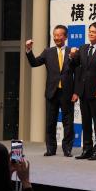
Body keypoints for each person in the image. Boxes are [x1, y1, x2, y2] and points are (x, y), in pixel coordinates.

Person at [26, 25, 76, 157]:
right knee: (50, 122)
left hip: (67, 92)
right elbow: (34, 63)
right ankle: (50, 149)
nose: (56, 38)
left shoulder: (72, 51)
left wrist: (76, 92)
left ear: (65, 37)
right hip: (51, 92)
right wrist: (28, 50)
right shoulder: (48, 52)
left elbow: (78, 72)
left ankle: (67, 149)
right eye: (54, 35)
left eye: (59, 35)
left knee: (68, 122)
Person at [69, 22, 96, 161]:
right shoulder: (82, 48)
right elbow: (75, 67)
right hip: (83, 92)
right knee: (85, 122)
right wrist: (72, 56)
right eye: (89, 31)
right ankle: (87, 149)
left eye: (93, 32)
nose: (90, 34)